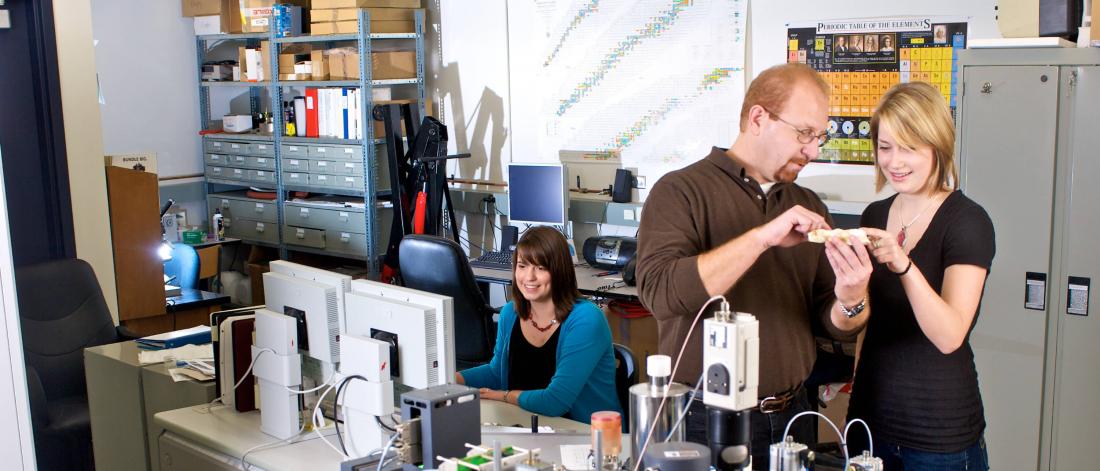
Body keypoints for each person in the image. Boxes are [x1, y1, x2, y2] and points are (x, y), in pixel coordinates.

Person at [635, 63, 872, 468]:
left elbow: (831, 322)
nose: (813, 151)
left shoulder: (809, 205)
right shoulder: (680, 192)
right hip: (702, 418)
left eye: (819, 137)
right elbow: (661, 293)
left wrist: (851, 300)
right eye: (804, 134)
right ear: (758, 118)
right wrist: (762, 237)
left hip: (793, 416)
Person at [846, 82, 994, 470]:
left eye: (910, 147)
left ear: (937, 146)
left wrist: (904, 266)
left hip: (937, 435)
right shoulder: (874, 217)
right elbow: (867, 323)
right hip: (870, 422)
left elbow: (949, 336)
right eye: (885, 146)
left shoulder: (967, 222)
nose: (895, 161)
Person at [456, 226, 621, 424]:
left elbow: (556, 401)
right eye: (522, 266)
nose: (529, 277)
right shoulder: (511, 313)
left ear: (559, 271)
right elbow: (496, 372)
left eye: (541, 268)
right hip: (526, 423)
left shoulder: (586, 320)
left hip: (586, 437)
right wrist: (453, 379)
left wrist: (504, 396)